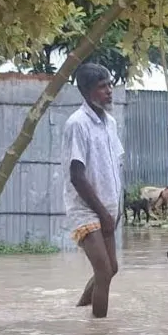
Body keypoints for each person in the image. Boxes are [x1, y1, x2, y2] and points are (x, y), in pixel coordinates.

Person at [65, 63, 124, 318]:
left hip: (108, 206)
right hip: (86, 208)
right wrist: (102, 213)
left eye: (110, 85)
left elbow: (114, 166)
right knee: (103, 270)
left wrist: (116, 208)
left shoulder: (109, 122)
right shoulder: (77, 124)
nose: (109, 91)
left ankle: (81, 309)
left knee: (111, 268)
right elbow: (77, 176)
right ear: (87, 90)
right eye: (102, 87)